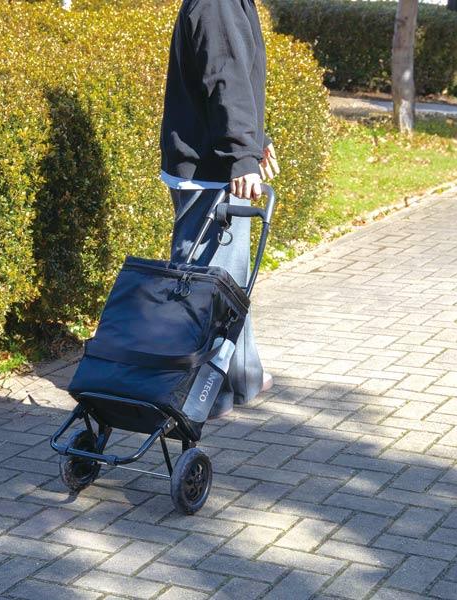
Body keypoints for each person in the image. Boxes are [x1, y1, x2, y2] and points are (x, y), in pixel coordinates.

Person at [160, 0, 279, 418]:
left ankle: (242, 377)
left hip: (215, 162)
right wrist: (242, 156)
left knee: (229, 281)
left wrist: (255, 143)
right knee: (207, 285)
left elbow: (239, 77)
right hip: (211, 169)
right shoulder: (218, 2)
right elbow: (223, 79)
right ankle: (200, 394)